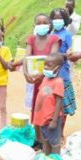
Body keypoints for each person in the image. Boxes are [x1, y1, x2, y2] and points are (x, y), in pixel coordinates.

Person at [24, 14, 61, 142]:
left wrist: (43, 74)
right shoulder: (31, 40)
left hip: (49, 80)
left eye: (44, 22)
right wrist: (25, 73)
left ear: (49, 24)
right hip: (35, 81)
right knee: (36, 107)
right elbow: (26, 57)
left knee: (48, 107)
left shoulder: (54, 39)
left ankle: (48, 139)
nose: (42, 25)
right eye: (39, 22)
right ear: (35, 25)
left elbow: (54, 58)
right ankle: (38, 139)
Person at [32, 54, 65, 155]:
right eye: (45, 64)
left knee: (54, 143)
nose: (46, 67)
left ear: (57, 68)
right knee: (45, 140)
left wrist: (54, 120)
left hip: (51, 119)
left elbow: (59, 102)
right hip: (43, 119)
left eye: (49, 65)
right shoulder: (45, 79)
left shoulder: (58, 82)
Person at [50, 8, 76, 124]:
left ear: (64, 20)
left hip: (62, 72)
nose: (57, 21)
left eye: (59, 18)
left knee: (62, 103)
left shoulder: (67, 35)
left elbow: (70, 54)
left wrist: (55, 55)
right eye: (54, 18)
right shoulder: (49, 34)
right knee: (51, 101)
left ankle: (61, 132)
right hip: (49, 71)